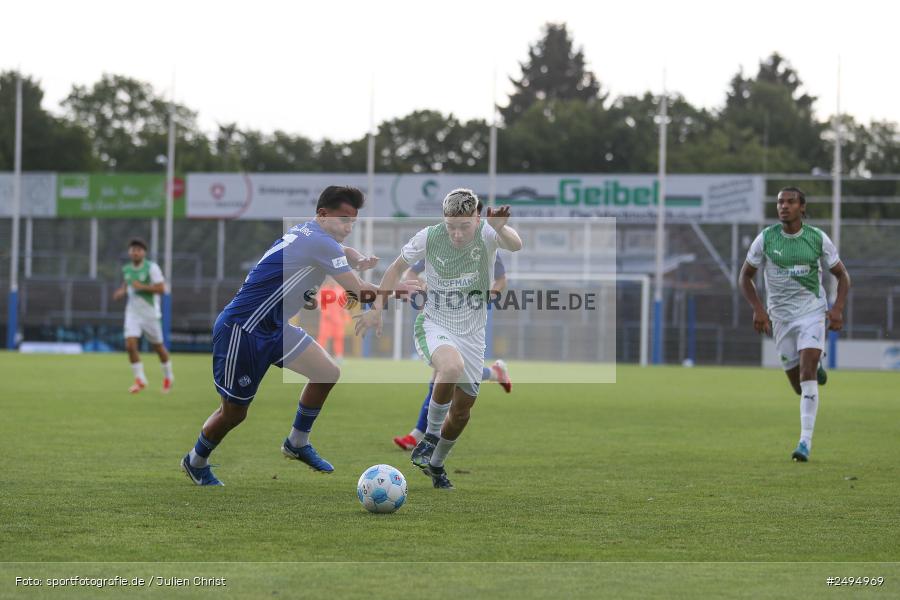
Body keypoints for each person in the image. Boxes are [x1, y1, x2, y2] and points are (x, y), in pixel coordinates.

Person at [181, 185, 401, 486]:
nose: (349, 227)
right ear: (322, 215)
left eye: (353, 221)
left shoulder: (307, 231)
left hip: (274, 328)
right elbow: (360, 291)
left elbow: (336, 253)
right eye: (343, 219)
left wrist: (354, 258)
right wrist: (400, 290)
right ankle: (196, 461)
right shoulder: (322, 244)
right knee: (233, 413)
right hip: (243, 330)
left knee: (326, 372)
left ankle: (296, 443)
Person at [357, 188, 522, 489]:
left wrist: (500, 228)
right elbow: (396, 269)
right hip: (435, 324)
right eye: (451, 226)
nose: (457, 234)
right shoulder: (430, 236)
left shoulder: (488, 233)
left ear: (476, 217)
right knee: (449, 367)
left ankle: (436, 464)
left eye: (464, 226)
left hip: (472, 335)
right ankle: (430, 436)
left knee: (461, 413)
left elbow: (516, 244)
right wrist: (379, 307)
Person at [738, 186, 851, 462]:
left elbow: (843, 276)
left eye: (790, 202)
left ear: (802, 207)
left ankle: (804, 443)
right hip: (781, 318)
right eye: (780, 202)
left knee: (807, 373)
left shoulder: (817, 238)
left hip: (812, 312)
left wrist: (837, 308)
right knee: (799, 387)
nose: (783, 206)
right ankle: (816, 368)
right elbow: (745, 277)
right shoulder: (765, 239)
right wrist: (758, 309)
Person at [392, 253, 512, 451]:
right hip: (437, 320)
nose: (457, 232)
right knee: (444, 373)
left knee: (451, 375)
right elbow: (411, 272)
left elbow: (501, 280)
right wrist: (422, 287)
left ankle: (420, 435)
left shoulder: (488, 248)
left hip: (467, 323)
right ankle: (419, 435)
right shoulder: (439, 244)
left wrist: (486, 297)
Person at [112, 238, 173, 394]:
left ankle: (168, 376)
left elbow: (162, 289)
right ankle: (140, 379)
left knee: (158, 347)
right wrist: (121, 292)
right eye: (133, 249)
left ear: (144, 252)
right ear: (129, 252)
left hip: (150, 314)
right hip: (133, 313)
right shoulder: (126, 269)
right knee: (130, 345)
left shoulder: (151, 268)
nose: (135, 252)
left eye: (138, 250)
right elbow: (127, 284)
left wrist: (142, 287)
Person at [316, 277, 352, 361]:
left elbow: (344, 306)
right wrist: (325, 312)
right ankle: (318, 355)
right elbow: (319, 304)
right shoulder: (324, 290)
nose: (332, 281)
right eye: (331, 279)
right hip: (326, 319)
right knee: (323, 337)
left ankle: (339, 356)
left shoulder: (341, 290)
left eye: (334, 279)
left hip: (338, 319)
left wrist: (346, 317)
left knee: (339, 338)